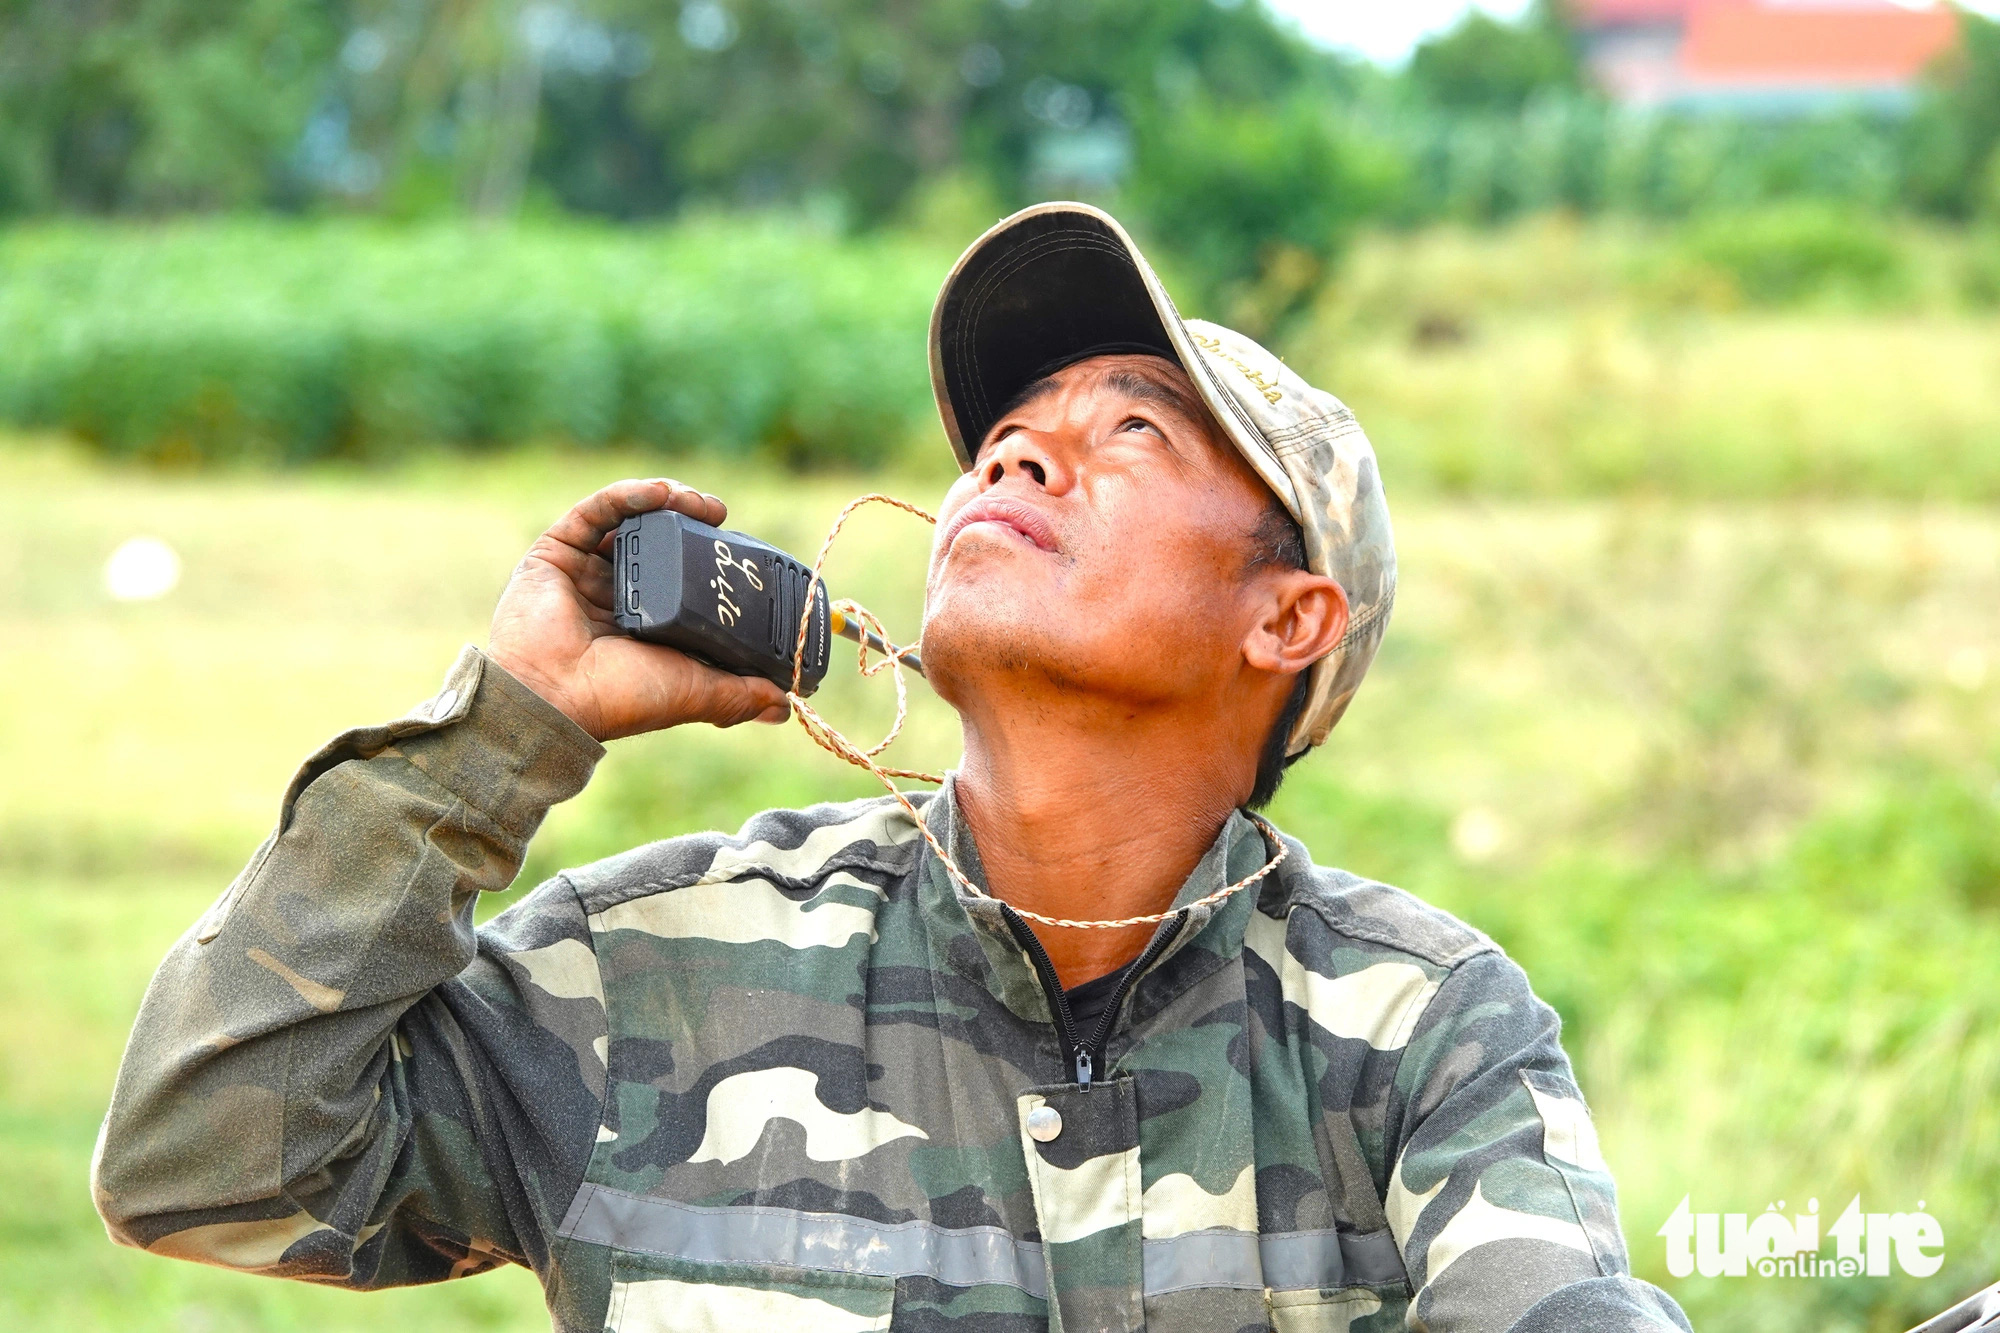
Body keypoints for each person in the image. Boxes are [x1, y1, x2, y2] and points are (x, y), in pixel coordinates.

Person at [93, 203, 1692, 1333]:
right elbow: (198, 1158)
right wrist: (509, 725)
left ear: (1287, 617)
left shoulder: (1416, 1031)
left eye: (1134, 430)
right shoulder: (655, 971)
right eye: (1007, 431)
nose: (1016, 450)